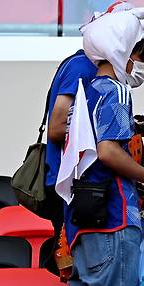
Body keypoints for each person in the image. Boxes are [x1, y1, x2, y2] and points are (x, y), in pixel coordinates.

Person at [65, 20, 144, 286]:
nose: (140, 67)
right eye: (139, 58)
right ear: (123, 51)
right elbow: (108, 152)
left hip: (83, 226)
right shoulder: (117, 91)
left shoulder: (85, 92)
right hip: (114, 221)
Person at [45, 51, 98, 243]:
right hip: (71, 184)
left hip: (79, 184)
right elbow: (57, 129)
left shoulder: (81, 64)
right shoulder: (81, 67)